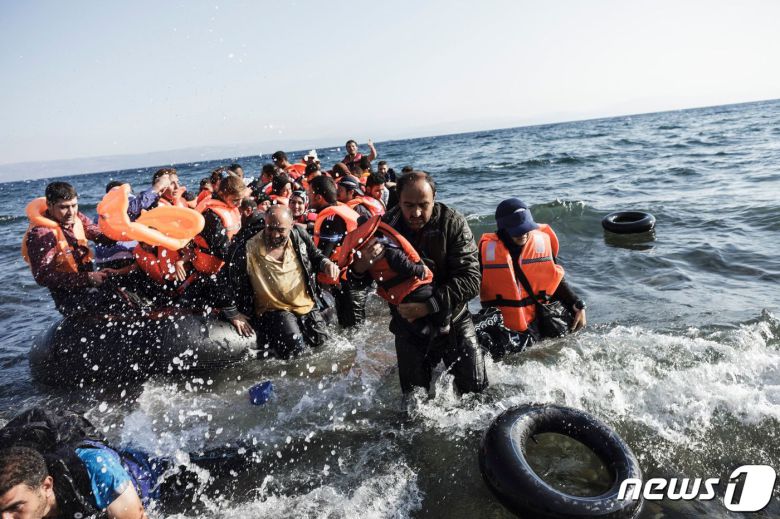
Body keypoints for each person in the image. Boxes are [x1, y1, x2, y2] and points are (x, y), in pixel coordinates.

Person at [349, 171, 488, 395]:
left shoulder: (452, 223)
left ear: (434, 198)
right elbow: (355, 286)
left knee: (477, 394)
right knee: (414, 406)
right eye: (408, 205)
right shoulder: (383, 228)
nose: (416, 212)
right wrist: (361, 266)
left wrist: (429, 305)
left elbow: (472, 280)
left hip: (454, 318)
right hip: (409, 327)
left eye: (423, 205)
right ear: (398, 200)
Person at [218, 205, 339, 358]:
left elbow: (315, 255)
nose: (274, 235)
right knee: (296, 352)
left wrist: (326, 264)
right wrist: (233, 313)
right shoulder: (246, 247)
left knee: (324, 345)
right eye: (270, 228)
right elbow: (223, 278)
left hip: (306, 305)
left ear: (291, 225)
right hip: (275, 312)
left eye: (281, 230)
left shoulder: (298, 236)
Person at [478, 198, 586, 355]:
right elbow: (469, 283)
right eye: (517, 231)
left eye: (526, 228)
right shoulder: (485, 253)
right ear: (502, 230)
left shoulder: (540, 243)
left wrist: (576, 303)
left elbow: (554, 279)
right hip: (506, 329)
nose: (523, 234)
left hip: (540, 324)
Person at [22, 182, 132, 317]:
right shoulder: (41, 234)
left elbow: (100, 236)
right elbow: (43, 276)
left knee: (127, 297)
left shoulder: (77, 217)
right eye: (63, 207)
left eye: (74, 205)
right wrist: (87, 278)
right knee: (112, 303)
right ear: (50, 205)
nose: (71, 212)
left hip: (91, 285)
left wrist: (126, 231)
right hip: (69, 298)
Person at [339, 216, 449, 338]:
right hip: (416, 289)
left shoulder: (366, 250)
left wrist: (426, 308)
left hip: (400, 298)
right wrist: (359, 268)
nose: (416, 212)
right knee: (441, 309)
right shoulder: (386, 246)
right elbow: (402, 264)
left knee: (412, 321)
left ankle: (426, 330)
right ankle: (442, 326)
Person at [309, 176, 366, 328]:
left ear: (319, 197)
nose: (308, 197)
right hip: (353, 278)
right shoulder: (340, 209)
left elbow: (323, 254)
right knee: (353, 330)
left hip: (346, 283)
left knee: (352, 330)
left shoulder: (331, 217)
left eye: (309, 194)